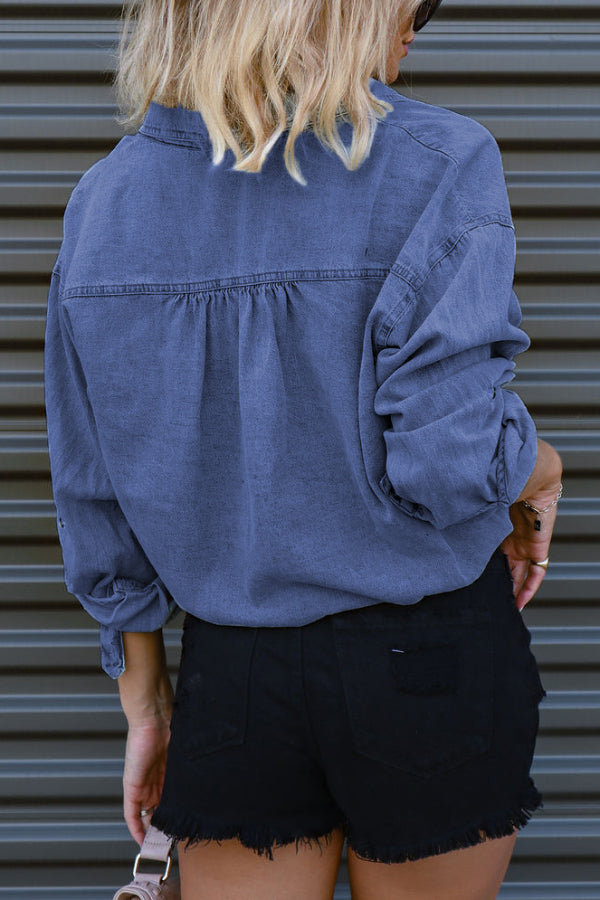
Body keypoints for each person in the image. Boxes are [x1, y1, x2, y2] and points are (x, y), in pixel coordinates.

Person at [43, 0, 564, 897]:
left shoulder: (104, 203)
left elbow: (94, 496)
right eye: (413, 7)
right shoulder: (439, 162)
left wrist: (146, 705)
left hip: (234, 673)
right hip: (429, 657)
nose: (415, 30)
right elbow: (448, 462)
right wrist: (543, 468)